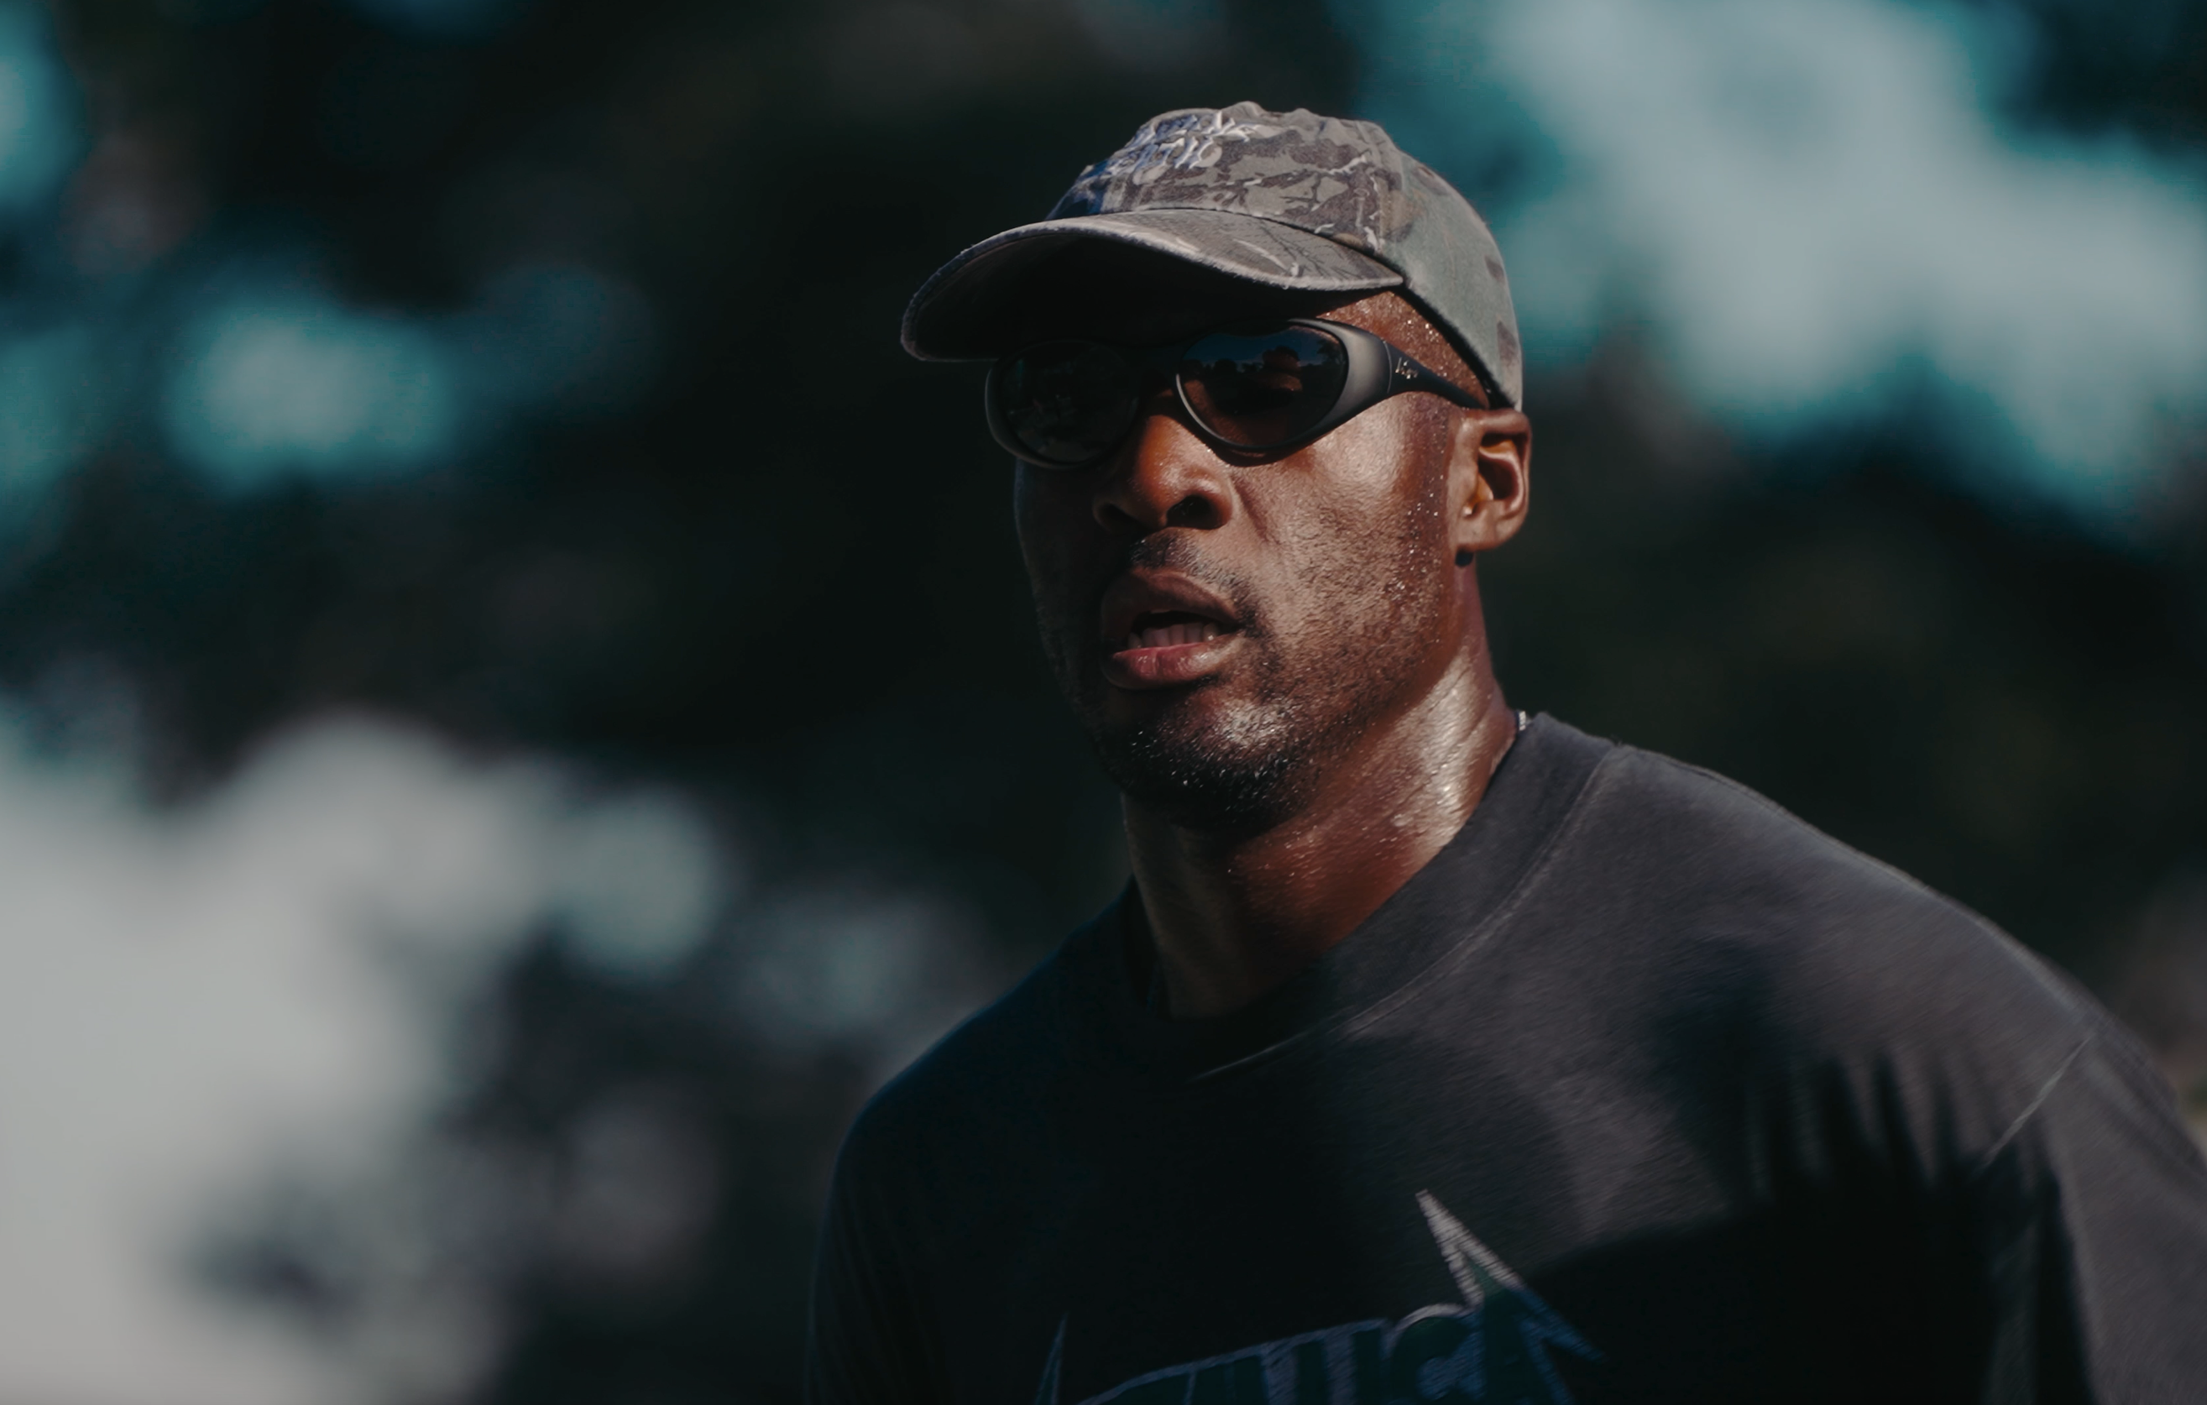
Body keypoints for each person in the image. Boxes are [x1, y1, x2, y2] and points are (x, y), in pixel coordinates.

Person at [804, 104, 2207, 1404]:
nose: (1153, 472)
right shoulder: (940, 1184)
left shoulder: (1881, 1054)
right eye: (1066, 400)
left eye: (1264, 377)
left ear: (1482, 482)